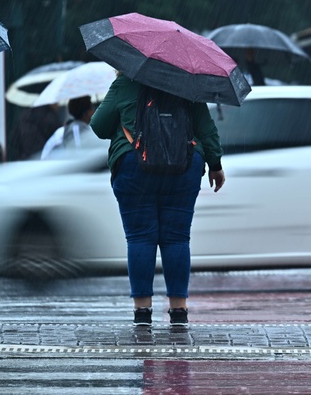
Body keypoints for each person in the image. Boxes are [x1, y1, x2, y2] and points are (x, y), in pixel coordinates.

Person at [90, 71, 225, 327]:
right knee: (177, 237)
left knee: (140, 237)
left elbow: (99, 126)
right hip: (184, 165)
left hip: (134, 165)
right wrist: (215, 164)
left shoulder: (126, 81)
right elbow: (206, 129)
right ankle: (178, 310)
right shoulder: (187, 82)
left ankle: (142, 311)